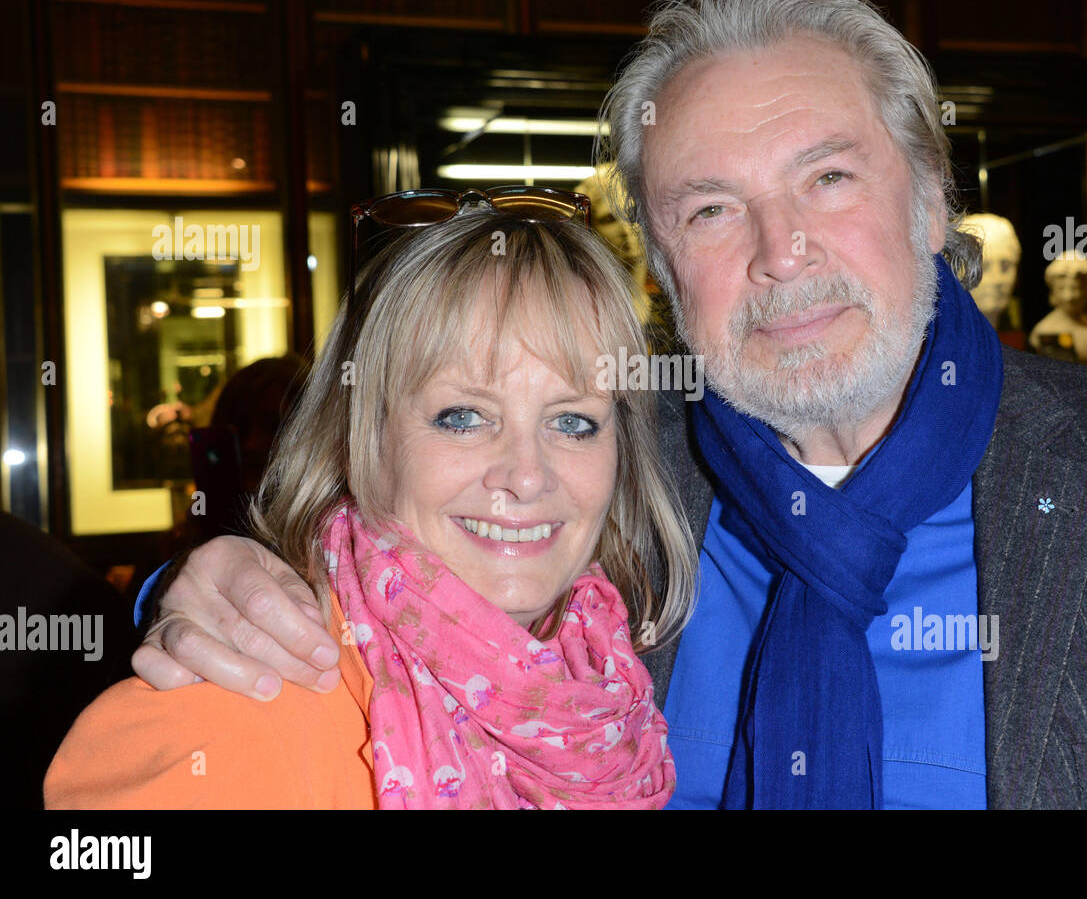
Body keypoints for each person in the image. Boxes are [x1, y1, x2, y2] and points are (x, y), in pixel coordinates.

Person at [126, 0, 1087, 809]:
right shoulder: (597, 478)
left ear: (930, 199)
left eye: (828, 177)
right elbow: (389, 577)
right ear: (660, 256)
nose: (781, 250)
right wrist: (203, 581)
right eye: (710, 208)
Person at [46, 200, 696, 808]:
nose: (528, 476)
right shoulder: (225, 710)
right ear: (363, 439)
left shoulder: (610, 692)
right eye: (463, 415)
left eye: (573, 422)